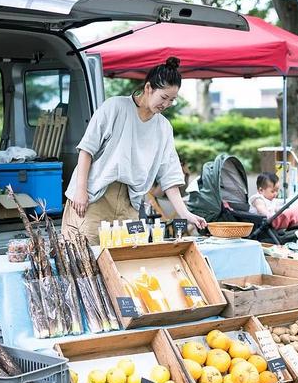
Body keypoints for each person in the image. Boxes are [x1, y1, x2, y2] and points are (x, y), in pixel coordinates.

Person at [62, 56, 207, 243]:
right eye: (163, 97)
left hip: (129, 203)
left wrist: (185, 213)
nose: (166, 105)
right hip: (94, 197)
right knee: (85, 255)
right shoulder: (115, 107)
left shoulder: (163, 127)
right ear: (148, 88)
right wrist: (80, 191)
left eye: (172, 100)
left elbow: (169, 175)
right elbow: (86, 150)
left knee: (124, 259)